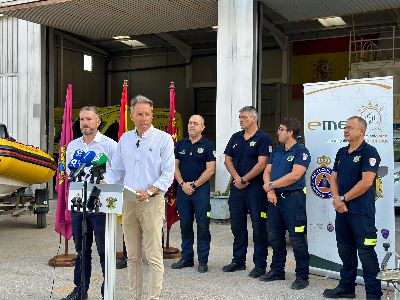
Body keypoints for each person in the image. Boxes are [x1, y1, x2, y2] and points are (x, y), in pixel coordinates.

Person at [104, 95, 175, 300]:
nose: (144, 118)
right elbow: (116, 169)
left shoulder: (164, 139)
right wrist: (105, 180)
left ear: (152, 115)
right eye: (139, 114)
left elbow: (168, 173)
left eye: (147, 114)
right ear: (132, 116)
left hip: (151, 202)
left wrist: (151, 190)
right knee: (133, 256)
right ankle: (135, 296)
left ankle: (153, 297)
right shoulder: (125, 139)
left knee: (153, 256)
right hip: (129, 202)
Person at [323, 116, 383, 300]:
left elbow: (366, 183)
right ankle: (346, 288)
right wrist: (336, 199)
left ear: (361, 131)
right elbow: (333, 178)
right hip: (342, 211)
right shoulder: (342, 152)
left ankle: (373, 294)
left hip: (361, 213)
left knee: (366, 254)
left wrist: (343, 198)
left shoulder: (369, 152)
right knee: (345, 251)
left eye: (350, 127)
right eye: (345, 127)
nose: (346, 130)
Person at [63, 106, 118, 300]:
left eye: (88, 119)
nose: (84, 123)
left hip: (102, 202)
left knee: (104, 250)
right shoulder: (73, 146)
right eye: (82, 120)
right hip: (79, 202)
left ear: (98, 122)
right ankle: (80, 290)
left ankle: (107, 291)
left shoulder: (110, 145)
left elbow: (119, 170)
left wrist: (108, 180)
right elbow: (70, 171)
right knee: (81, 249)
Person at [222, 106, 272, 278]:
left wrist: (245, 179)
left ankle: (260, 265)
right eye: (239, 117)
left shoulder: (263, 138)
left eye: (243, 117)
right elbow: (227, 159)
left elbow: (262, 163)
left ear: (253, 118)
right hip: (237, 188)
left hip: (255, 189)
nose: (240, 120)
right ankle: (238, 261)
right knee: (237, 226)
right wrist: (237, 178)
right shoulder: (236, 137)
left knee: (258, 226)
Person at [261, 118, 311, 290]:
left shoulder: (301, 152)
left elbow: (295, 176)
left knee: (297, 239)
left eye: (281, 129)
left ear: (290, 132)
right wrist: (270, 191)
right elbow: (267, 171)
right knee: (275, 236)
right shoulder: (277, 151)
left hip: (293, 200)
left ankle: (302, 276)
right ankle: (277, 270)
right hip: (274, 199)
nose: (278, 132)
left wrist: (271, 186)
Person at [171, 115, 216, 273]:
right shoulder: (181, 144)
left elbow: (210, 169)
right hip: (183, 189)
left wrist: (194, 185)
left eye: (195, 124)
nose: (191, 126)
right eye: (190, 123)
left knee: (203, 225)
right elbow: (175, 166)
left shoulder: (208, 145)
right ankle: (187, 258)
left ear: (202, 127)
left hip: (200, 190)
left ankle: (203, 261)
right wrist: (183, 184)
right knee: (185, 225)